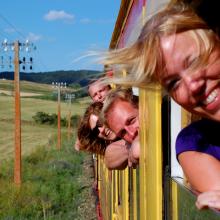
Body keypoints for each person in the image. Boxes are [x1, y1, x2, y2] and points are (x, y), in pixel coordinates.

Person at [99, 3, 220, 209]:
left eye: (194, 61)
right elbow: (110, 157)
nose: (193, 85)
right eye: (173, 83)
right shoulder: (194, 144)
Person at [101, 87, 140, 169]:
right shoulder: (129, 143)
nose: (132, 133)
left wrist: (136, 147)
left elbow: (137, 151)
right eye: (123, 132)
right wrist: (129, 149)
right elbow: (108, 158)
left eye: (132, 121)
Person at [74, 77, 112, 151]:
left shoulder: (121, 101)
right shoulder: (93, 114)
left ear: (109, 88)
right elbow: (78, 146)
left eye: (101, 90)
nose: (99, 96)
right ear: (93, 100)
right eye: (95, 95)